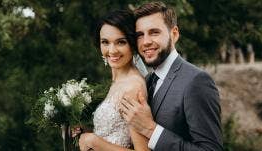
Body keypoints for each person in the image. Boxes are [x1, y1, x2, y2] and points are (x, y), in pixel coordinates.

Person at [120, 1, 223, 151]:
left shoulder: (196, 81)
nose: (146, 42)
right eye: (140, 35)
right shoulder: (147, 80)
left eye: (154, 32)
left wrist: (150, 129)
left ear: (174, 34)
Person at [75, 10, 150, 151]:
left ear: (132, 44)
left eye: (121, 42)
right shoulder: (118, 79)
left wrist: (94, 141)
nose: (112, 50)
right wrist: (84, 132)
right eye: (105, 42)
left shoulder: (133, 87)